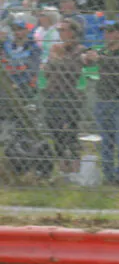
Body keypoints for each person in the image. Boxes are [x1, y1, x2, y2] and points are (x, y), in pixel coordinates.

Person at [85, 23, 119, 186]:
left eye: (110, 32)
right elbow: (87, 63)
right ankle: (108, 176)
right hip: (103, 100)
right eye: (104, 32)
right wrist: (86, 58)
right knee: (106, 139)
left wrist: (99, 59)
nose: (106, 36)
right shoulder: (103, 51)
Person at [39, 37, 85, 178]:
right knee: (55, 131)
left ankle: (75, 168)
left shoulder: (79, 51)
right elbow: (46, 73)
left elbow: (72, 72)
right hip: (53, 95)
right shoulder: (54, 53)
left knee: (70, 132)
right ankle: (62, 167)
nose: (62, 36)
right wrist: (53, 60)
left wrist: (58, 60)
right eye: (60, 32)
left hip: (70, 96)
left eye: (65, 32)